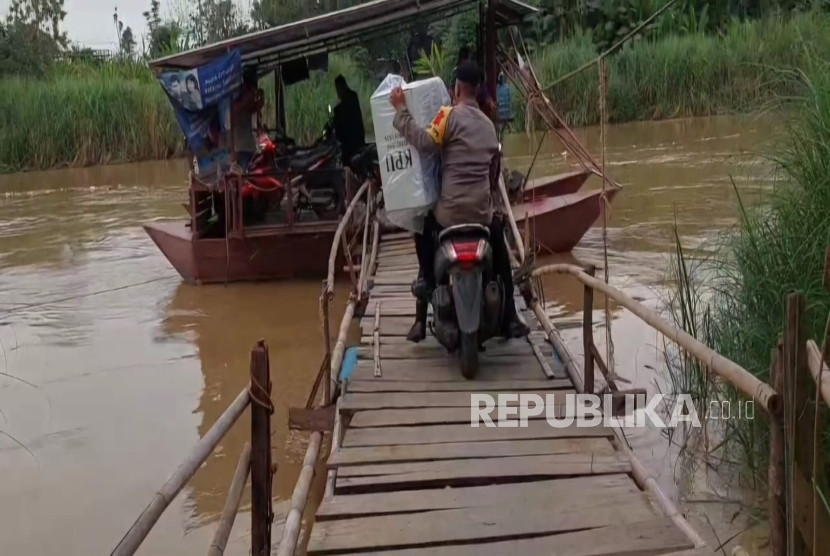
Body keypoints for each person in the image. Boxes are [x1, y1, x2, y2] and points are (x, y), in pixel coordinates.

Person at [390, 60, 530, 342]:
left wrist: (401, 110)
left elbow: (423, 141)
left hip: (449, 214)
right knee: (501, 255)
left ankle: (423, 307)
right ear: (477, 90)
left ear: (456, 89)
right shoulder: (489, 128)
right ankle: (510, 317)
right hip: (480, 213)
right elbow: (493, 175)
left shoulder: (446, 116)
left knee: (422, 232)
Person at [333, 75, 366, 166]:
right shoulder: (353, 96)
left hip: (350, 141)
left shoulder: (343, 105)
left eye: (337, 89)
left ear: (341, 87)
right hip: (357, 137)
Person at [232, 69, 260, 171]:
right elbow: (237, 109)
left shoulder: (247, 106)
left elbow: (257, 107)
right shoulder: (235, 105)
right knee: (242, 176)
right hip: (240, 148)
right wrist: (248, 96)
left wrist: (258, 95)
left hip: (249, 147)